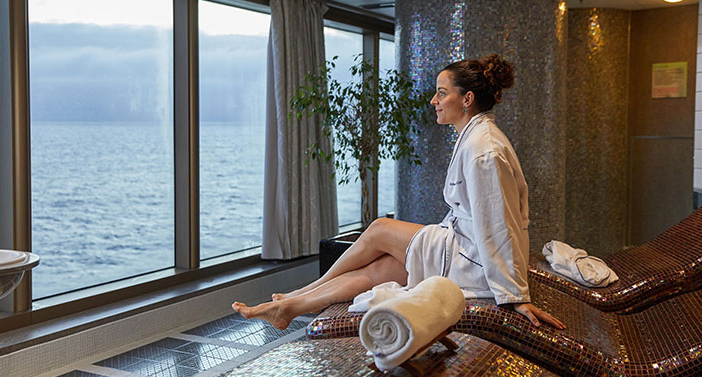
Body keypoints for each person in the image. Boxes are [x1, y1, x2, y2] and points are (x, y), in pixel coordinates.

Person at [233, 54, 565, 331]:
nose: (433, 100)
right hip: (465, 251)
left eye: (441, 93)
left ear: (467, 99)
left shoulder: (483, 149)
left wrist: (514, 295)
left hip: (473, 262)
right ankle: (292, 307)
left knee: (380, 229)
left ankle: (302, 291)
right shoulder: (477, 138)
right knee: (381, 270)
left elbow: (496, 225)